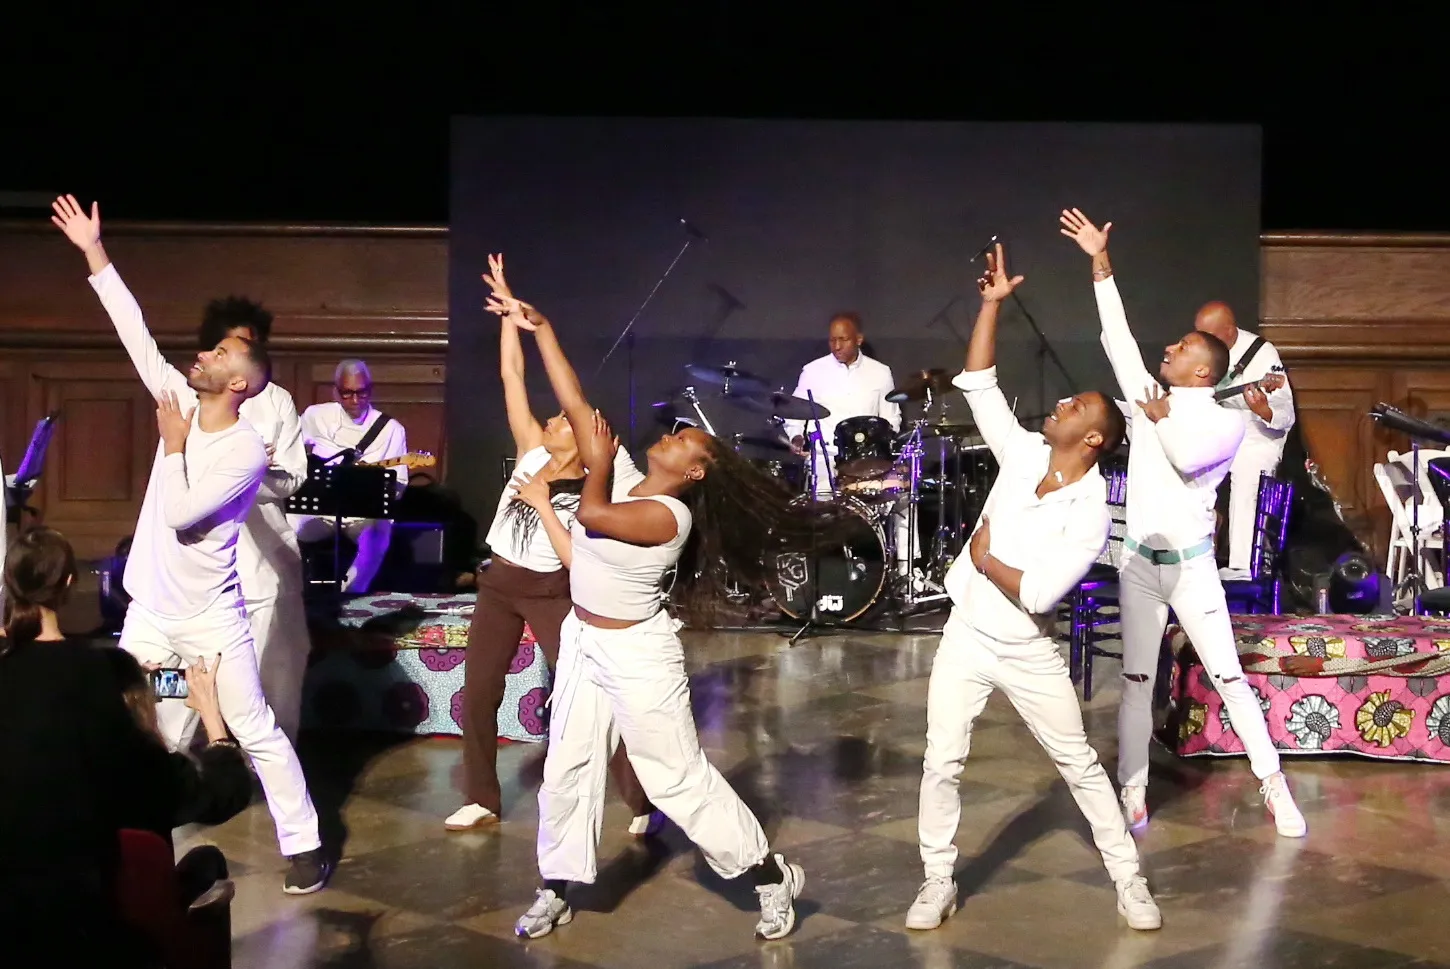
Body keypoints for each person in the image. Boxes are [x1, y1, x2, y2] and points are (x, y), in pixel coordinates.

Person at [487, 287, 810, 942]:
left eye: (682, 440)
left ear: (693, 471)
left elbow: (600, 515)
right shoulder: (629, 474)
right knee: (568, 763)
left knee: (674, 776)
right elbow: (578, 408)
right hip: (584, 639)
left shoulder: (668, 514)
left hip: (638, 653)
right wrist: (543, 328)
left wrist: (596, 466)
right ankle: (556, 883)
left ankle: (769, 872)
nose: (667, 436)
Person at [51, 194, 329, 892]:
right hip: (151, 610)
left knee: (255, 726)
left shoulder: (246, 448)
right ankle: (125, 841)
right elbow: (133, 330)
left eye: (219, 353)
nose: (200, 354)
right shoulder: (176, 393)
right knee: (140, 718)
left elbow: (177, 513)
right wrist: (94, 251)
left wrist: (173, 446)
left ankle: (304, 845)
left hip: (211, 620)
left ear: (238, 382)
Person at [907, 243, 1160, 933]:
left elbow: (1043, 593)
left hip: (1024, 647)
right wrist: (990, 304)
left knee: (1078, 762)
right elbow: (979, 379)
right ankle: (937, 878)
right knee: (942, 759)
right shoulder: (1023, 453)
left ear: (1095, 439)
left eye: (1075, 404)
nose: (1060, 403)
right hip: (966, 635)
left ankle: (1128, 880)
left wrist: (987, 561)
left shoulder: (1089, 511)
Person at [1059, 207, 1305, 838]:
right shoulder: (1150, 399)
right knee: (1137, 681)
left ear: (1203, 370)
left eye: (1181, 348)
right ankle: (1133, 792)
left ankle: (1273, 783)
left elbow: (1189, 456)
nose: (1166, 348)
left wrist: (1157, 415)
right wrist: (1099, 262)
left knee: (1227, 675)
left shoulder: (1224, 419)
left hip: (1193, 569)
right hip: (1141, 563)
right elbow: (1117, 336)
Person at [446, 254, 655, 834]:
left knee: (593, 693)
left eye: (566, 420)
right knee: (480, 688)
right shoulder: (532, 448)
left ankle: (640, 801)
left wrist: (542, 331)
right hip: (499, 584)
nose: (555, 420)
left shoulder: (598, 472)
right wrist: (510, 313)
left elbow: (576, 400)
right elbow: (512, 376)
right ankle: (483, 797)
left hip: (551, 591)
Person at [166, 296, 312, 746]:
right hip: (195, 570)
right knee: (177, 682)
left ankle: (270, 768)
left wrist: (255, 470)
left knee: (274, 679)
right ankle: (174, 760)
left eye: (253, 346)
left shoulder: (277, 401)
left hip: (263, 567)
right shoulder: (184, 401)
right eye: (230, 348)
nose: (246, 357)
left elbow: (292, 478)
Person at [1193, 301, 1295, 580]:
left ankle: (1241, 566)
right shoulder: (1201, 352)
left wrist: (1264, 409)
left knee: (1246, 477)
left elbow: (1285, 413)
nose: (1202, 342)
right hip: (1217, 431)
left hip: (1256, 437)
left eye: (1209, 336)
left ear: (1228, 331)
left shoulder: (1261, 354)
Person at [291, 359, 409, 594]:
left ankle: (352, 592)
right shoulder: (315, 416)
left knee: (379, 530)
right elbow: (294, 455)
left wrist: (379, 490)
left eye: (361, 393)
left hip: (361, 516)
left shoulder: (391, 429)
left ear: (370, 390)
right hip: (317, 511)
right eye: (346, 394)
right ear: (335, 390)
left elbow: (400, 483)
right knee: (282, 525)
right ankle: (291, 588)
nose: (354, 401)